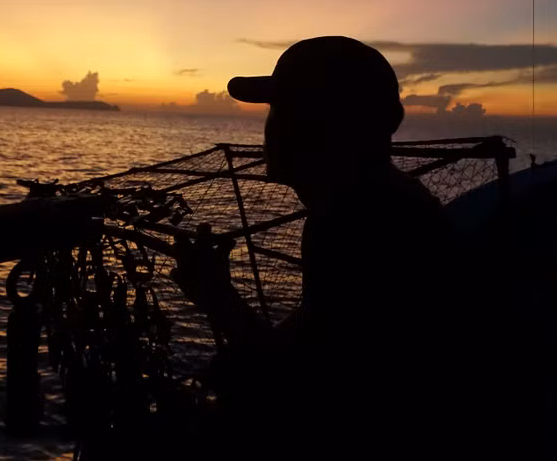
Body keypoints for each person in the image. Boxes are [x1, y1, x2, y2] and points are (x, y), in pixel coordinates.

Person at [173, 36, 483, 459]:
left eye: (283, 111)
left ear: (324, 125)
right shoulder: (382, 199)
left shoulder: (356, 219)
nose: (271, 126)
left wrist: (217, 298)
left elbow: (311, 389)